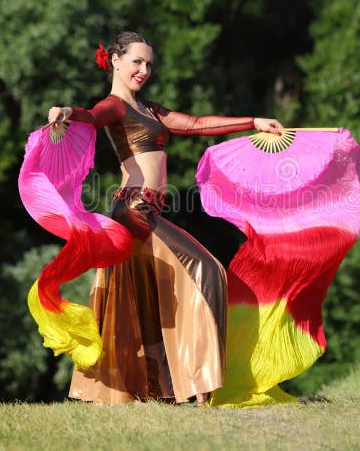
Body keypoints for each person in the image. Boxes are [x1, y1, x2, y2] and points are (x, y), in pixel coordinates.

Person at [46, 31, 283, 406]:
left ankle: (163, 388)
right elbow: (90, 117)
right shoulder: (115, 106)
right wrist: (64, 113)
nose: (144, 70)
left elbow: (196, 123)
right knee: (208, 270)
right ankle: (203, 385)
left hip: (147, 209)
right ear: (116, 60)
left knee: (148, 299)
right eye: (137, 61)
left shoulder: (149, 109)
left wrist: (253, 121)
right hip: (135, 209)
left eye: (149, 64)